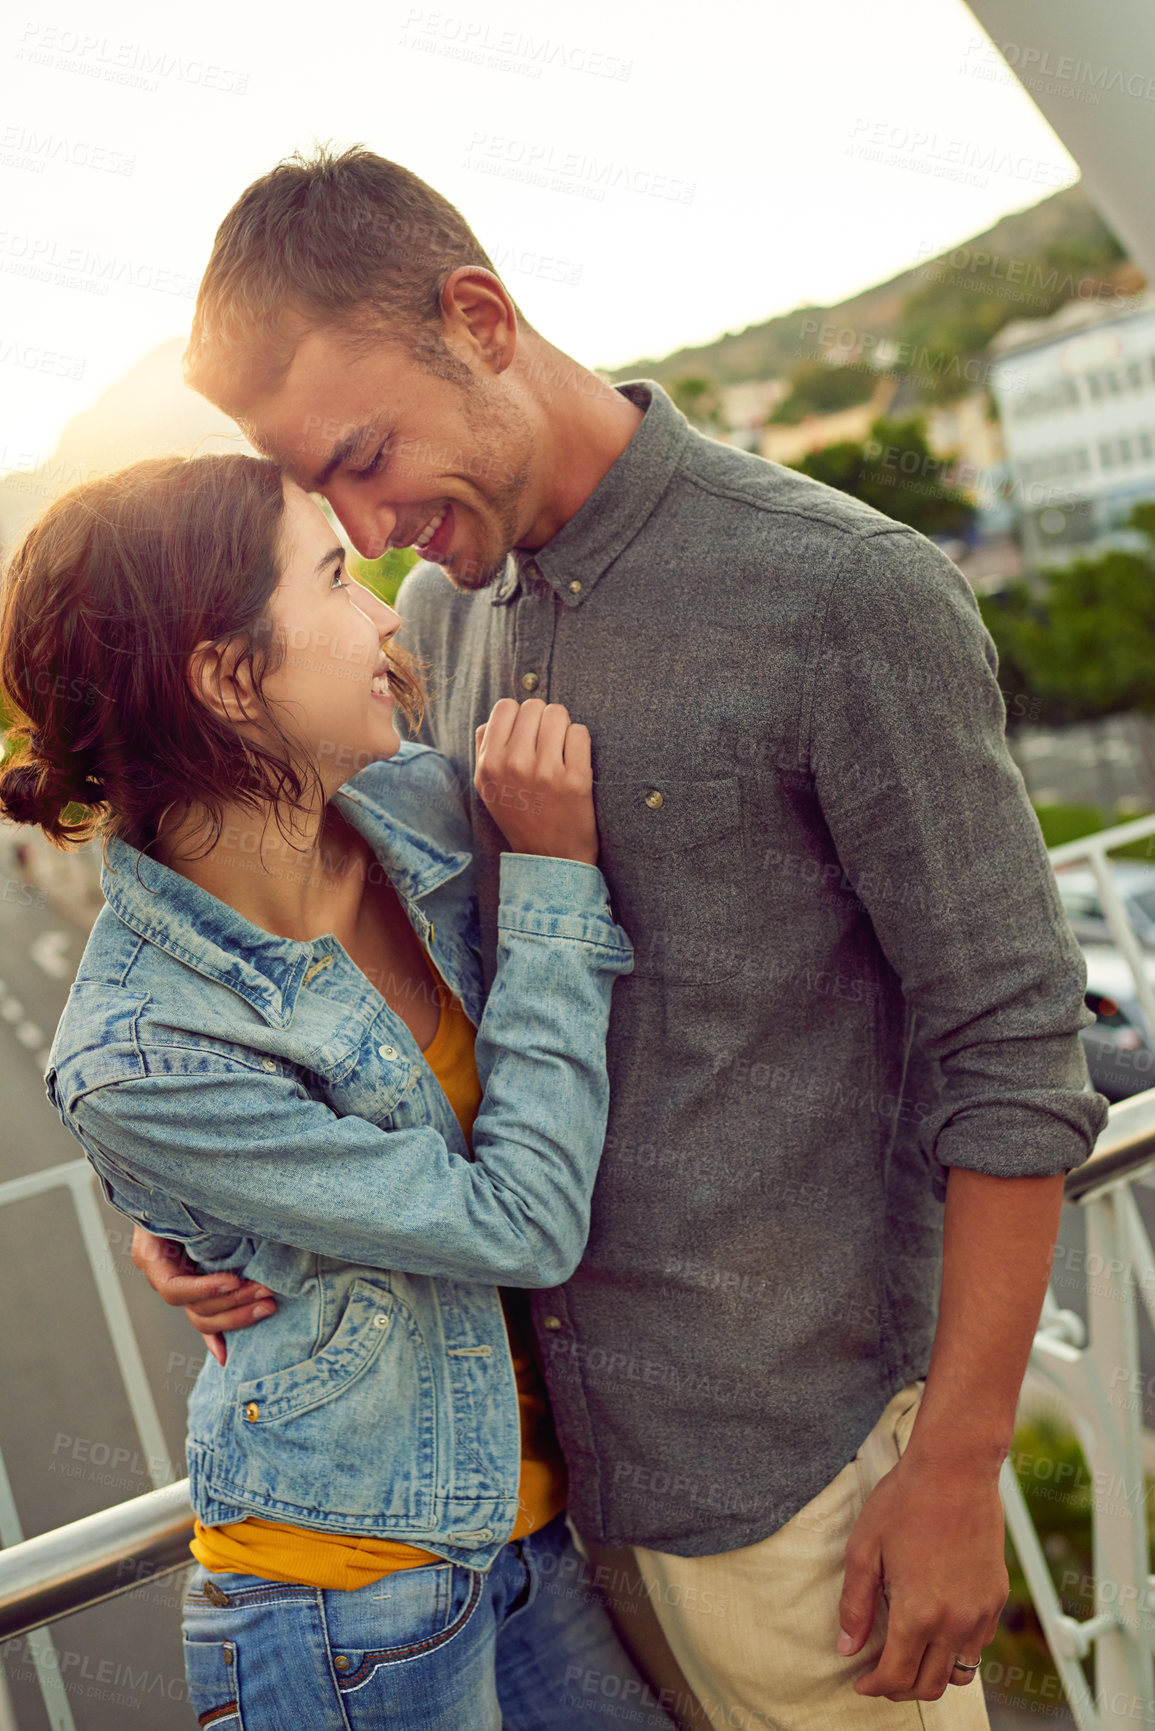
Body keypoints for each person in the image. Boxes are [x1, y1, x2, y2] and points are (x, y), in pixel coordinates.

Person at [136, 147, 1108, 1730]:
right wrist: (209, 1193)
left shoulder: (839, 592)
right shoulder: (443, 620)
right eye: (334, 490)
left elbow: (1010, 1047)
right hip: (560, 1514)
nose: (374, 518)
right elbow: (413, 987)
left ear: (480, 316)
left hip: (801, 1503)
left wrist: (955, 1461)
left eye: (373, 452)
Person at [0, 453, 678, 1731]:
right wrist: (549, 883)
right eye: (332, 577)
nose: (384, 612)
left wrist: (192, 1217)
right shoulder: (140, 1050)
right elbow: (520, 1222)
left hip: (534, 1540)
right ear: (225, 674)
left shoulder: (417, 805)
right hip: (350, 1612)